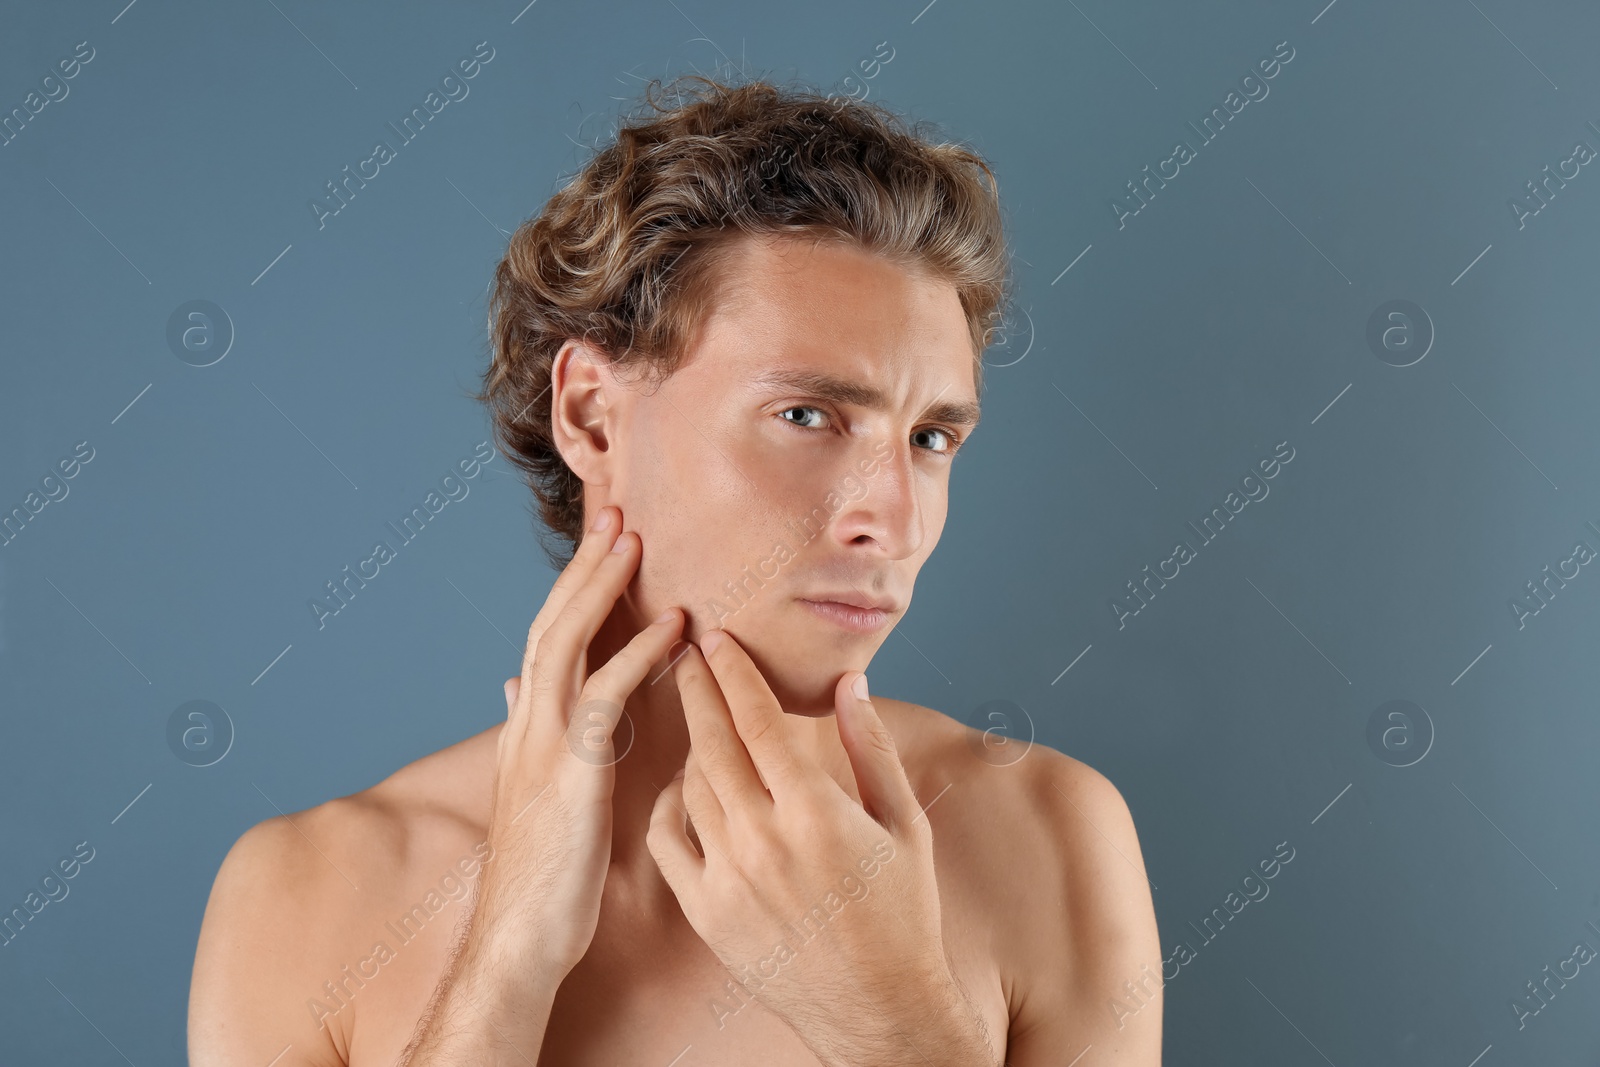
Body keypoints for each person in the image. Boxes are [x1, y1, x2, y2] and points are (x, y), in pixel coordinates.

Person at [188, 75, 1162, 1066]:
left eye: (930, 435)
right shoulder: (305, 893)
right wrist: (508, 953)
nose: (895, 519)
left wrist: (897, 1026)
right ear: (591, 414)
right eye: (806, 416)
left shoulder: (1045, 836)